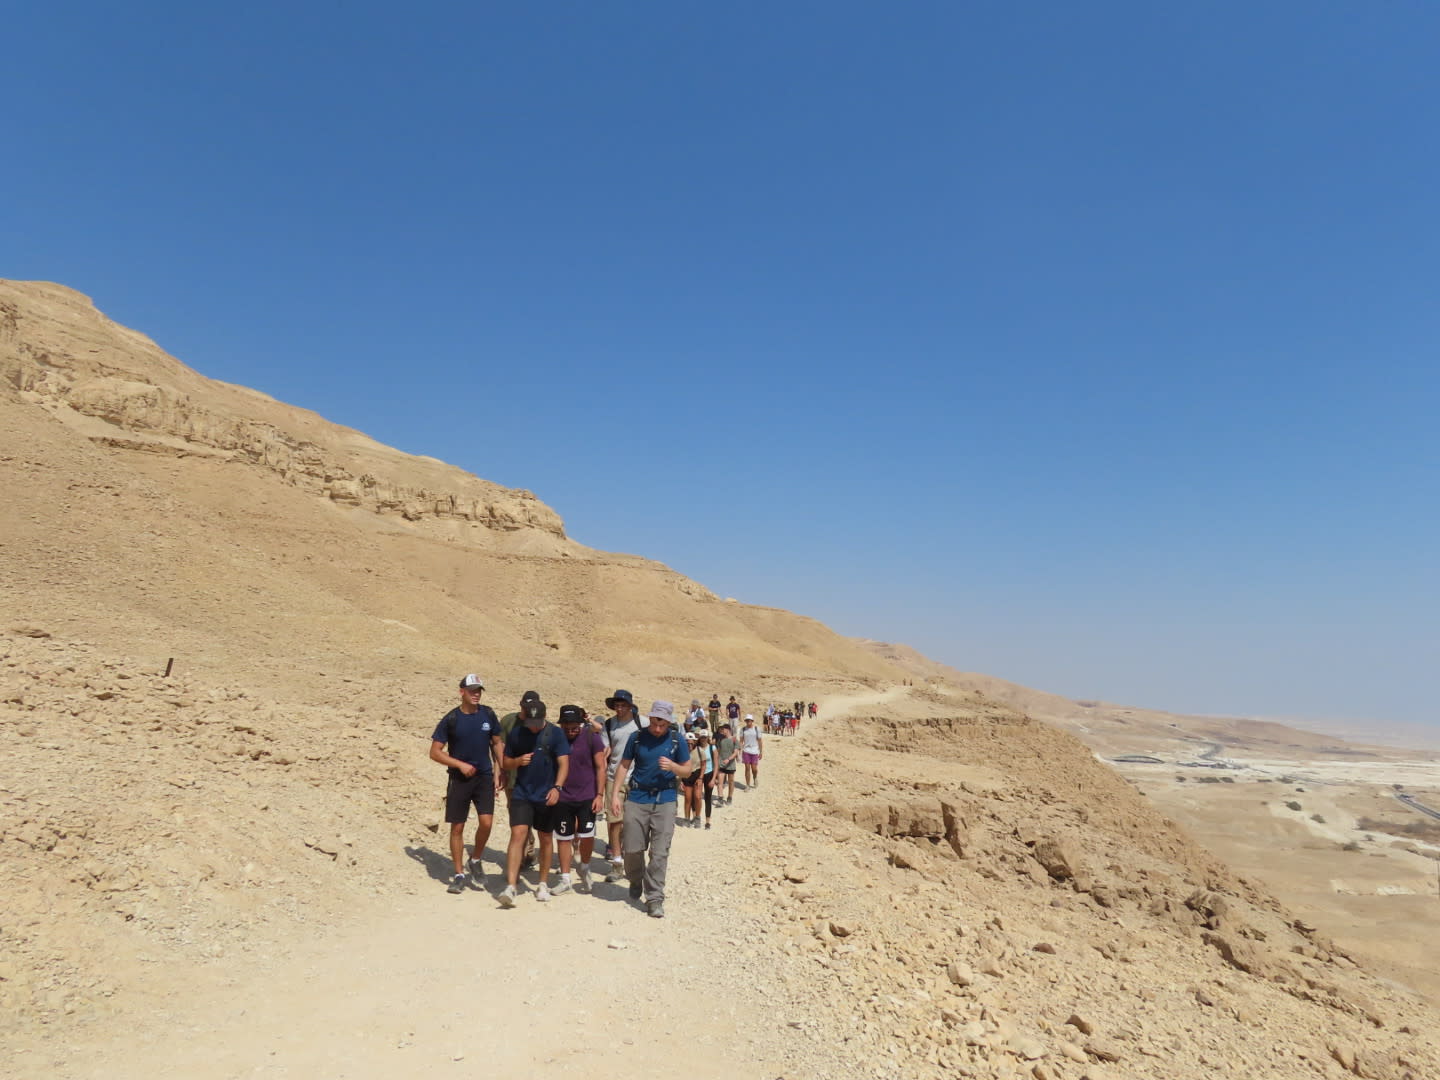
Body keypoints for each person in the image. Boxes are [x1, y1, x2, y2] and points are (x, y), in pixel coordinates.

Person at [610, 700, 691, 918]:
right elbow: (625, 765)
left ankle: (655, 898)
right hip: (637, 797)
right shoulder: (636, 738)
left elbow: (688, 770)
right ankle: (636, 878)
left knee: (659, 852)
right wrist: (615, 794)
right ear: (651, 718)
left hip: (665, 799)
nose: (657, 728)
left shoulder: (677, 740)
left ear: (669, 722)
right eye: (655, 723)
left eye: (662, 724)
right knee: (633, 847)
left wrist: (674, 767)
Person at [428, 674, 504, 894]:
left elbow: (497, 743)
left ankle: (476, 858)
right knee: (458, 827)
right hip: (459, 779)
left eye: (479, 690)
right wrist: (459, 764)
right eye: (472, 690)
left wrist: (501, 770)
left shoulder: (488, 714)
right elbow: (435, 752)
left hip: (484, 777)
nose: (476, 693)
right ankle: (459, 873)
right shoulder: (451, 719)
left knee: (487, 822)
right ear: (462, 692)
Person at [498, 696, 569, 906]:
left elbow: (564, 763)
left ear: (544, 719)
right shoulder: (517, 733)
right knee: (518, 834)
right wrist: (518, 761)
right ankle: (511, 887)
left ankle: (543, 884)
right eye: (530, 723)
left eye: (537, 723)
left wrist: (557, 787)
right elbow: (506, 762)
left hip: (546, 794)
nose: (534, 727)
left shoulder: (555, 733)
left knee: (545, 837)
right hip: (522, 792)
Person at [552, 704, 606, 894]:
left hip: (587, 795)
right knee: (563, 837)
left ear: (581, 723)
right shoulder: (556, 738)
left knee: (587, 835)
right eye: (566, 726)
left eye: (574, 725)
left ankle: (584, 866)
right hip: (563, 796)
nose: (570, 729)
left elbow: (601, 767)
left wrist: (600, 795)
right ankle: (565, 878)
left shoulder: (592, 738)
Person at [601, 689, 642, 883]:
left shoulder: (643, 723)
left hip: (637, 779)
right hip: (612, 778)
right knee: (614, 821)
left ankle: (631, 860)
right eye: (617, 705)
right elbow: (604, 753)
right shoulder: (609, 725)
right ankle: (617, 863)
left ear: (630, 706)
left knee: (632, 823)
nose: (619, 708)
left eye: (623, 705)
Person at [680, 730, 703, 825]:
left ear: (694, 741)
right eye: (687, 742)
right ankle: (686, 819)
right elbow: (680, 765)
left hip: (697, 775)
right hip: (686, 776)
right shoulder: (681, 752)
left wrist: (701, 778)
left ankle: (697, 817)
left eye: (691, 742)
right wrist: (680, 780)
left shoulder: (699, 751)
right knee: (688, 798)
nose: (689, 744)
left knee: (697, 797)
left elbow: (704, 765)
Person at [696, 728, 716, 829]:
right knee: (697, 797)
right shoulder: (696, 748)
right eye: (702, 737)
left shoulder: (712, 748)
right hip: (698, 774)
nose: (703, 739)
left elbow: (716, 765)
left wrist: (713, 779)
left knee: (708, 798)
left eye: (705, 737)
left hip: (709, 774)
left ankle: (707, 821)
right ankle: (697, 817)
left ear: (707, 737)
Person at [714, 723, 738, 805]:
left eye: (723, 729)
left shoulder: (734, 740)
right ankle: (720, 798)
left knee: (731, 782)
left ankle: (730, 797)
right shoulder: (721, 740)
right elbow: (718, 751)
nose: (722, 731)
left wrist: (728, 759)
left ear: (727, 730)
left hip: (731, 765)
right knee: (720, 782)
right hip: (721, 764)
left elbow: (735, 753)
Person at [740, 713, 763, 789]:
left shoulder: (756, 729)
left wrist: (761, 752)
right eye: (746, 720)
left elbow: (759, 741)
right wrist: (740, 751)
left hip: (755, 750)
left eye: (749, 720)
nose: (748, 722)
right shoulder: (743, 729)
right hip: (746, 750)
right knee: (747, 768)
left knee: (754, 769)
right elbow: (741, 741)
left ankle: (755, 777)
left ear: (752, 721)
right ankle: (747, 785)